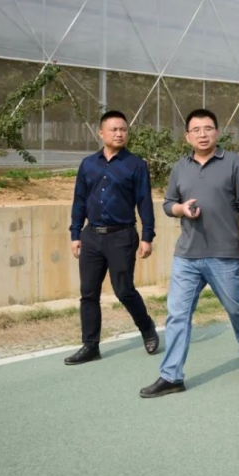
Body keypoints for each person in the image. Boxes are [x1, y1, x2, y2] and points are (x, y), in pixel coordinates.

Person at [139, 109, 239, 398]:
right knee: (177, 314)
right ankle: (171, 376)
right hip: (186, 256)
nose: (202, 134)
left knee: (237, 308)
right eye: (196, 130)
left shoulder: (234, 163)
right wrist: (181, 209)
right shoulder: (179, 168)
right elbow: (168, 203)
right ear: (187, 137)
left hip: (223, 255)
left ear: (217, 132)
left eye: (208, 128)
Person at [64, 110, 160, 365]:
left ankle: (147, 328)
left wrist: (147, 236)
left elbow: (144, 202)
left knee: (124, 290)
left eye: (123, 130)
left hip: (122, 236)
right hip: (92, 236)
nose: (119, 134)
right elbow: (79, 200)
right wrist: (76, 233)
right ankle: (90, 345)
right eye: (114, 129)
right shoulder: (88, 164)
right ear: (101, 133)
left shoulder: (136, 165)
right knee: (88, 293)